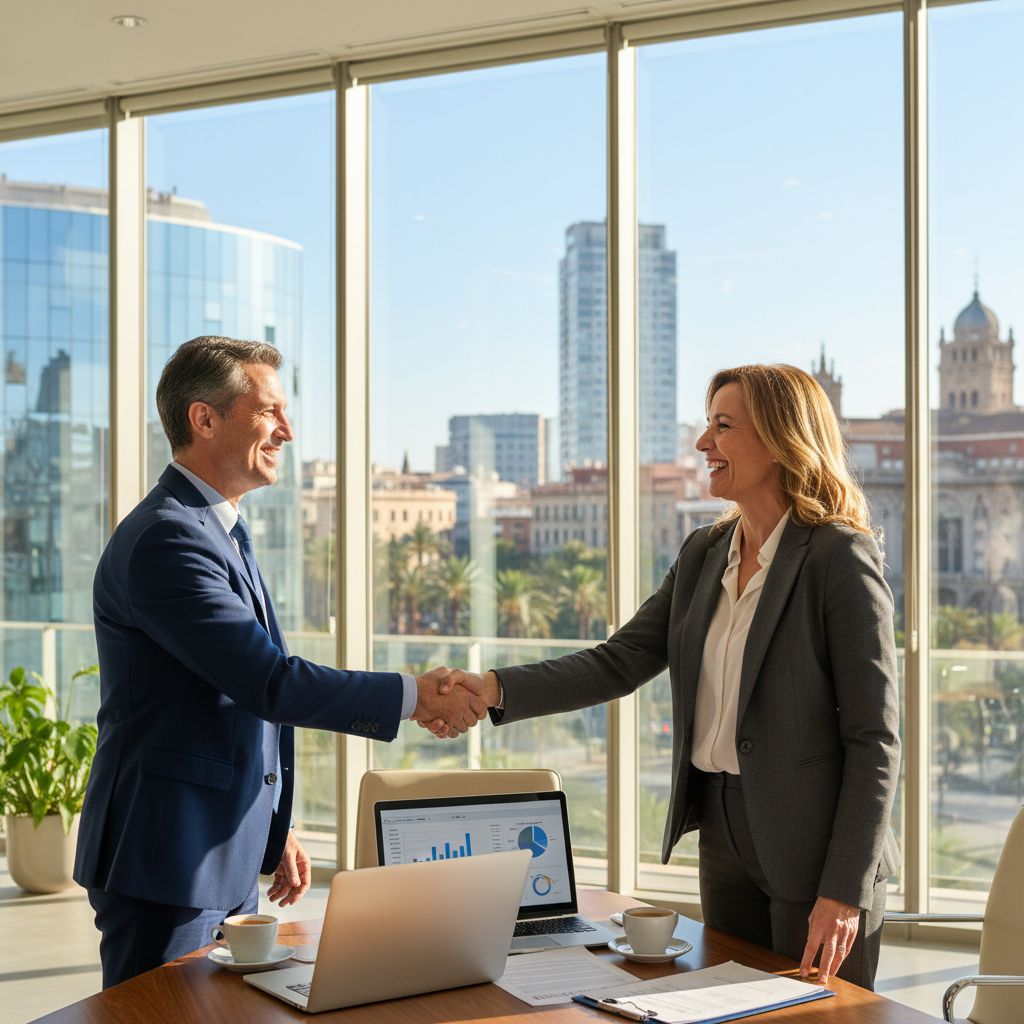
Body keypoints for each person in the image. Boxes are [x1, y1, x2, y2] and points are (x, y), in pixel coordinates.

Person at [434, 364, 901, 990]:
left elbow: (876, 739)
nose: (703, 444)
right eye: (706, 426)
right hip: (722, 834)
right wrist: (492, 689)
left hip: (816, 846)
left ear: (780, 438)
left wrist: (846, 889)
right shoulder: (704, 553)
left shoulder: (838, 557)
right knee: (729, 1003)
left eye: (723, 427)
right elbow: (618, 661)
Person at [75, 336, 486, 988]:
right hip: (167, 861)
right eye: (269, 411)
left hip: (215, 853)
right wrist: (417, 696)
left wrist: (271, 829)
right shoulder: (169, 537)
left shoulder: (218, 528)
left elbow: (225, 702)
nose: (288, 431)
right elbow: (267, 681)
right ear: (204, 419)